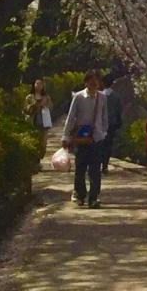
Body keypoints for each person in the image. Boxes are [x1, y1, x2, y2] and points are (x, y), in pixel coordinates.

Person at [63, 67, 109, 208]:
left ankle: (94, 197)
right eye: (91, 81)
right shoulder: (78, 97)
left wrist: (104, 132)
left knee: (95, 170)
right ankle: (81, 195)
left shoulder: (102, 97)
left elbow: (104, 116)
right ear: (86, 82)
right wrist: (66, 135)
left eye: (96, 82)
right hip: (81, 138)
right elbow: (71, 116)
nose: (94, 84)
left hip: (96, 138)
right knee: (81, 168)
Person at [99, 69, 124, 173]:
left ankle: (99, 163)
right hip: (112, 123)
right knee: (108, 145)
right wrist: (119, 121)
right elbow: (119, 110)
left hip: (100, 124)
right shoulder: (116, 96)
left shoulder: (99, 96)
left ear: (103, 83)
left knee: (100, 143)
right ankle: (105, 165)